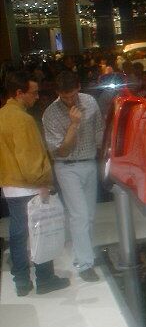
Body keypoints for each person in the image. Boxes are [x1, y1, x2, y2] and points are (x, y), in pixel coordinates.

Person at [0, 71, 70, 296]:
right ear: (19, 93)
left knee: (18, 234)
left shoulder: (2, 115)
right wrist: (43, 182)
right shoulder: (23, 120)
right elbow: (28, 157)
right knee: (42, 231)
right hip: (30, 186)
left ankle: (21, 281)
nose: (37, 97)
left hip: (9, 186)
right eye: (33, 93)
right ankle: (45, 278)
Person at [43, 71, 104, 282]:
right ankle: (84, 263)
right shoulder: (50, 114)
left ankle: (85, 254)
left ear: (79, 87)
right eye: (64, 96)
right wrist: (74, 125)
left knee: (89, 216)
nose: (69, 99)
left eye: (72, 94)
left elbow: (99, 133)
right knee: (79, 215)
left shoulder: (89, 101)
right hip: (66, 167)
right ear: (58, 92)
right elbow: (61, 151)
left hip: (90, 163)